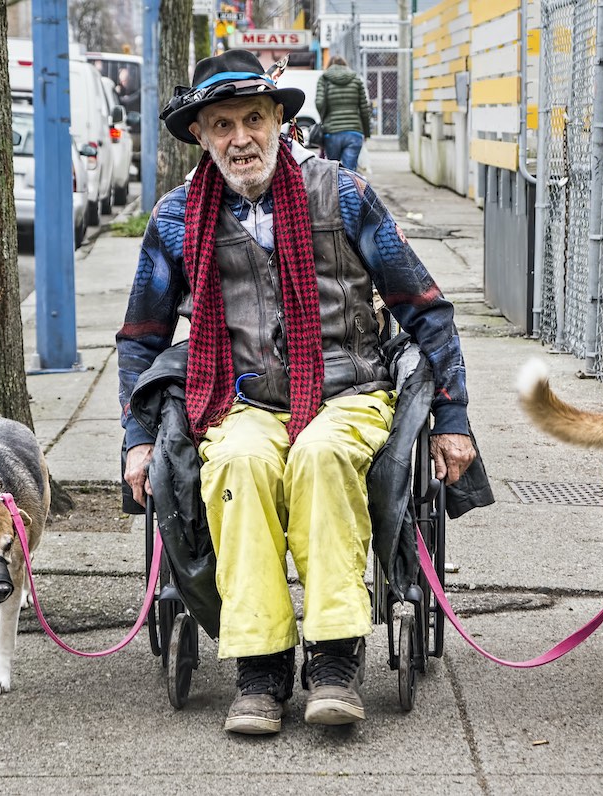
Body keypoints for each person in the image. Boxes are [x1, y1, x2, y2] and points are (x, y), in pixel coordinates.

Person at [117, 50, 475, 735]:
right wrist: (137, 440)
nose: (241, 137)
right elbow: (141, 337)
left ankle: (335, 658)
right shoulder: (175, 218)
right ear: (201, 135)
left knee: (320, 457)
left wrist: (452, 418)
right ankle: (260, 665)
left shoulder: (342, 192)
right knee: (239, 464)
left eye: (254, 118)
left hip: (349, 391)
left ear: (279, 120)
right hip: (239, 398)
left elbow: (425, 308)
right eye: (222, 125)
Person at [315, 55, 372, 171]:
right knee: (349, 172)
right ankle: (349, 189)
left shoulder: (324, 79)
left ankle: (334, 189)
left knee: (332, 170)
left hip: (332, 132)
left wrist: (325, 118)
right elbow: (364, 109)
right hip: (354, 132)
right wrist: (366, 133)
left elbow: (319, 104)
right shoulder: (356, 79)